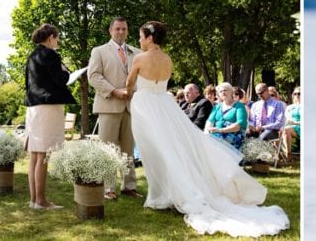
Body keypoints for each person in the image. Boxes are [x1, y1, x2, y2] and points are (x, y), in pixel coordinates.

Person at [126, 21, 289, 237]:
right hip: (165, 106)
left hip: (146, 105)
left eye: (140, 36)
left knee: (154, 151)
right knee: (170, 149)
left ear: (149, 37)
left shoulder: (139, 58)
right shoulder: (167, 60)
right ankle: (165, 194)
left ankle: (162, 196)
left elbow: (130, 84)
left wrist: (127, 92)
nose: (139, 40)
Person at [87, 17, 143, 199]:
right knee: (108, 150)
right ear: (110, 30)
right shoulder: (99, 51)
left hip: (130, 106)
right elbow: (93, 76)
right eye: (117, 29)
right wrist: (113, 91)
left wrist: (134, 92)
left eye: (124, 29)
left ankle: (129, 186)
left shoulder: (137, 53)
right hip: (108, 105)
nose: (121, 32)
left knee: (128, 149)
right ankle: (108, 188)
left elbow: (142, 78)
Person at [23, 24, 77, 210]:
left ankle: (33, 200)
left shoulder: (32, 56)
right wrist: (68, 72)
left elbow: (28, 84)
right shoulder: (51, 55)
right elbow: (61, 80)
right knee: (43, 155)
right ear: (51, 37)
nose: (58, 41)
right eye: (57, 38)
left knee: (35, 155)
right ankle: (41, 201)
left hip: (33, 107)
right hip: (47, 106)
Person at [205, 82, 247, 150]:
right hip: (217, 133)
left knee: (215, 139)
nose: (223, 92)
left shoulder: (239, 106)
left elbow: (239, 125)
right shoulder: (217, 107)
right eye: (221, 91)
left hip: (234, 134)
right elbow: (210, 121)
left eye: (225, 90)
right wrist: (206, 133)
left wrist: (220, 130)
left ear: (231, 92)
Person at [281, 86, 302, 161]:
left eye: (299, 93)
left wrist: (295, 122)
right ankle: (278, 155)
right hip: (289, 126)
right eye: (295, 93)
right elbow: (286, 118)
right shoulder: (290, 107)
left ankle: (288, 155)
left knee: (286, 130)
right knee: (280, 131)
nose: (297, 95)